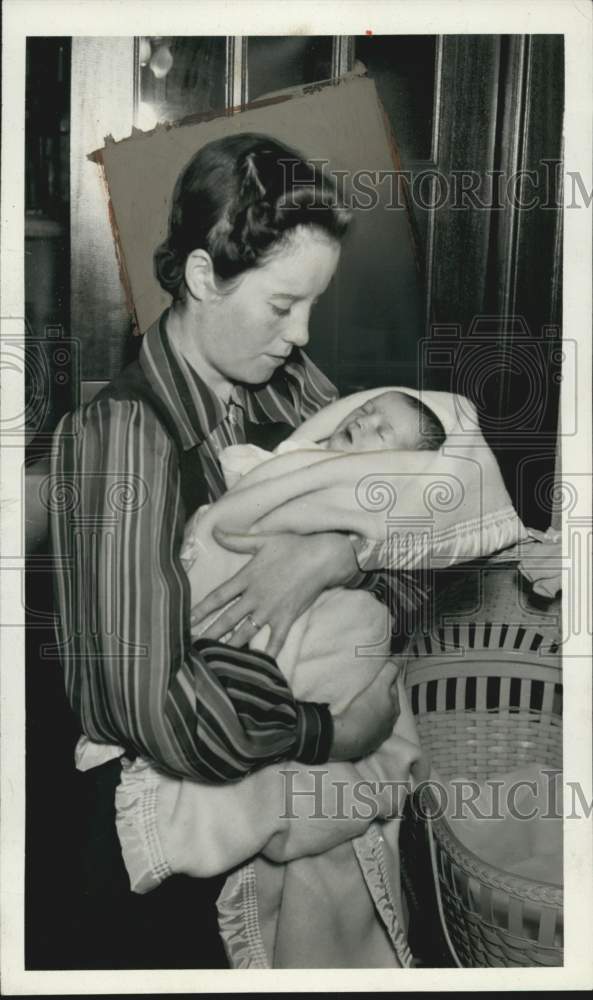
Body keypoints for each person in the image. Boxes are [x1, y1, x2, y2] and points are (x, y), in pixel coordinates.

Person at [49, 133, 405, 969]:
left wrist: (331, 559)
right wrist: (329, 733)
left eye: (313, 304)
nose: (301, 333)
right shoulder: (122, 437)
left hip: (289, 817)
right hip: (167, 861)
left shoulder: (294, 387)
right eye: (282, 306)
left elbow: (421, 573)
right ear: (204, 277)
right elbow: (148, 707)